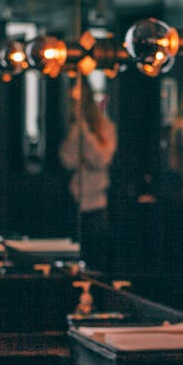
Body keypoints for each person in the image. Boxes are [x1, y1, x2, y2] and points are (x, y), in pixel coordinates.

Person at [60, 76, 117, 272]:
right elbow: (67, 160)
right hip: (74, 204)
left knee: (96, 263)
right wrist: (77, 130)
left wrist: (84, 129)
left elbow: (100, 160)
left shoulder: (105, 128)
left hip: (96, 207)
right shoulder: (74, 129)